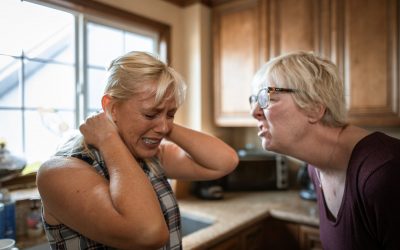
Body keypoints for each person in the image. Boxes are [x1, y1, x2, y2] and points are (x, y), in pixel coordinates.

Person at [36, 51, 239, 250]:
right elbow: (148, 233)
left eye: (171, 114)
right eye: (150, 113)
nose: (164, 127)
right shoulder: (59, 173)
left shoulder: (149, 156)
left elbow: (225, 161)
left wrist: (161, 121)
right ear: (111, 107)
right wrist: (108, 139)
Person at [250, 51, 400, 250]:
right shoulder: (316, 168)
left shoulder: (384, 173)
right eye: (254, 99)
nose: (254, 112)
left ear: (314, 108)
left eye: (267, 97)